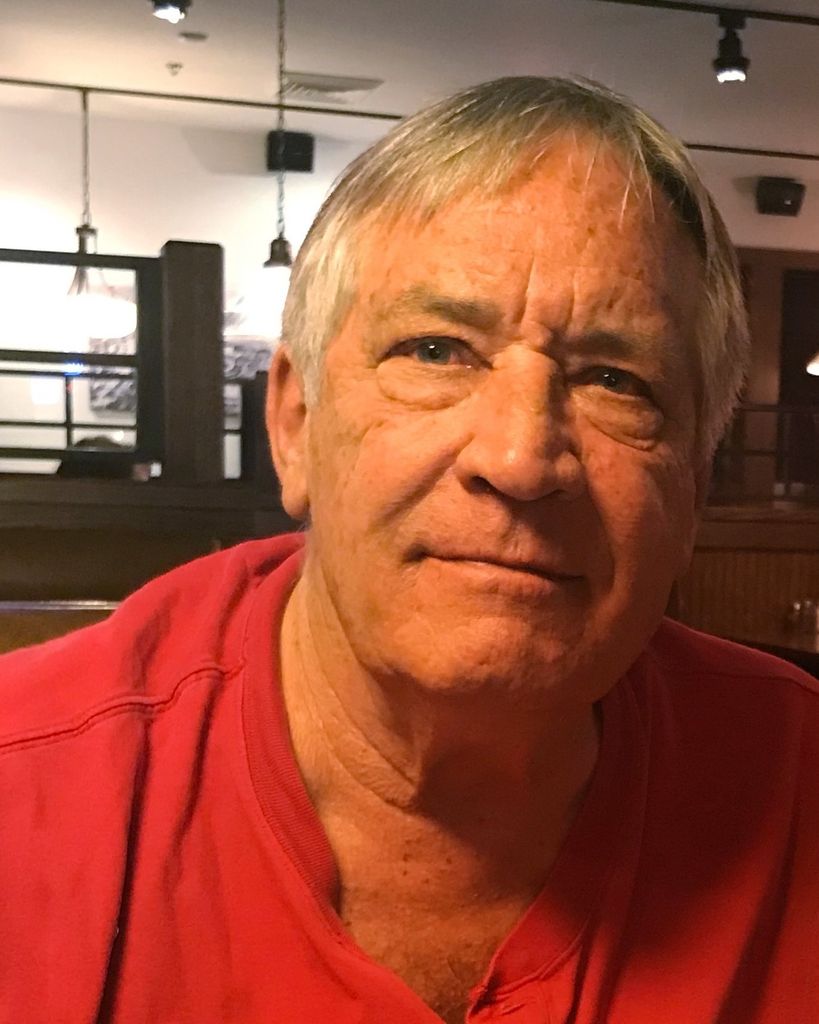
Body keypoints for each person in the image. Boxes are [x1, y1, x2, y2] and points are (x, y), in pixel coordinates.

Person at [1, 77, 817, 1024]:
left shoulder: (794, 780)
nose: (519, 459)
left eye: (614, 380)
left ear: (694, 488)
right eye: (436, 351)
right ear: (295, 424)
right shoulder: (32, 786)